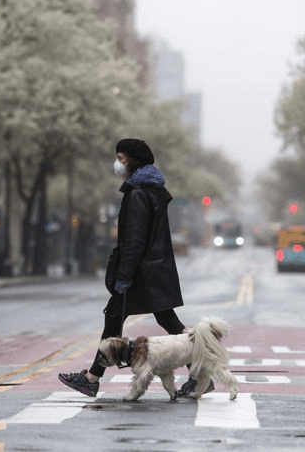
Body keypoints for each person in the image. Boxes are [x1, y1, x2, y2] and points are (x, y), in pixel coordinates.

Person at [58, 138, 210, 398]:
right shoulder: (150, 190)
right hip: (153, 270)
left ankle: (92, 377)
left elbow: (135, 240)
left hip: (140, 273)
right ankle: (199, 375)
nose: (118, 163)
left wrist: (124, 276)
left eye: (122, 157)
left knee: (116, 318)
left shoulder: (138, 193)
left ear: (133, 160)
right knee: (165, 319)